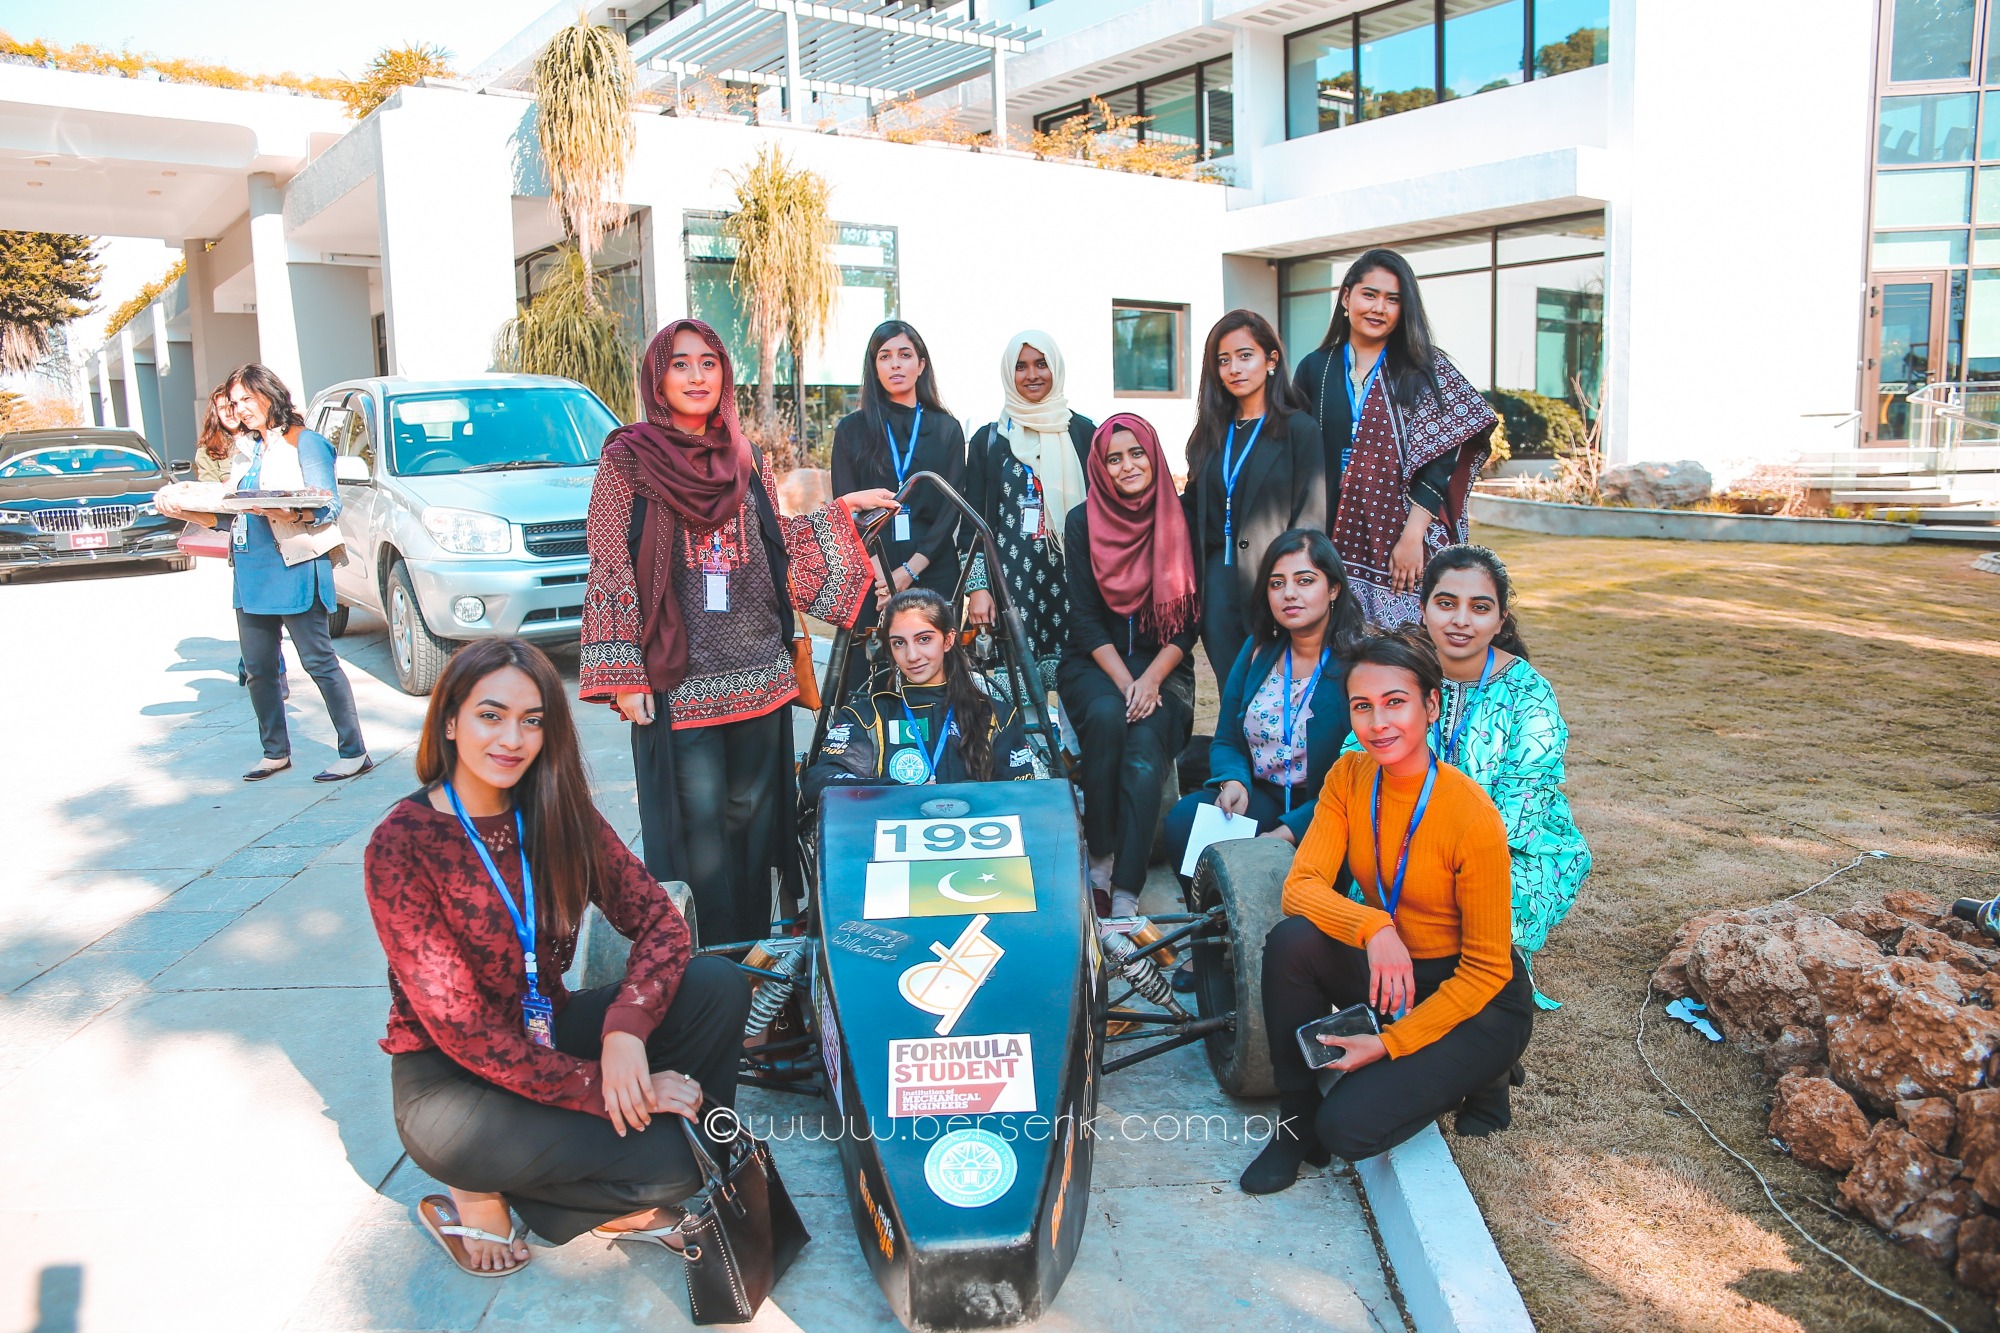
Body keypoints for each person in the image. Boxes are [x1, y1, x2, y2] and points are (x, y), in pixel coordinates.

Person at [365, 637, 751, 1275]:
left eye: (532, 719)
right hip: (453, 1084)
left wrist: (627, 1030)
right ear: (451, 720)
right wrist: (608, 1089)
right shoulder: (402, 843)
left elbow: (659, 918)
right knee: (679, 1162)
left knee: (718, 985)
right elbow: (465, 1031)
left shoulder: (557, 813)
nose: (512, 738)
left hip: (546, 1032)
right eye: (492, 715)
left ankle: (588, 1178)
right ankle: (486, 1188)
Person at [581, 319, 891, 947]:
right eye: (680, 364)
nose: (697, 377)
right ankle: (705, 971)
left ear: (724, 373)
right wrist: (622, 671)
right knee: (699, 844)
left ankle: (756, 970)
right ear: (658, 378)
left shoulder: (748, 459)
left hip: (761, 678)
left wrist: (840, 518)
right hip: (680, 681)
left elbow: (775, 551)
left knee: (753, 835)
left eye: (708, 363)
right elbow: (609, 561)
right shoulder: (627, 459)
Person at [1241, 632, 1535, 1196]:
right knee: (1292, 943)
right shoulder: (1349, 779)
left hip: (1476, 996)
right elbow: (1300, 887)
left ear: (1431, 705)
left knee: (1348, 1130)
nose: (1378, 723)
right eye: (1362, 706)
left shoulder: (1470, 815)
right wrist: (1373, 927)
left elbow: (1486, 970)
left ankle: (1486, 1070)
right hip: (1393, 969)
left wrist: (1390, 1046)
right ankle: (1294, 1123)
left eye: (1395, 702)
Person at [156, 363, 369, 782]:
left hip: (294, 565)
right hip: (250, 570)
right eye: (234, 403)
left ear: (269, 394)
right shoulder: (248, 449)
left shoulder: (304, 443)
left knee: (318, 662)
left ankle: (353, 751)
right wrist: (186, 509)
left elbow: (328, 505)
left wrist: (287, 510)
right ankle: (275, 752)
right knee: (258, 668)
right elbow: (234, 516)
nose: (239, 410)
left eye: (246, 400)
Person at [1415, 544, 1589, 1009]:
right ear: (1424, 606)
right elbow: (1361, 757)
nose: (1460, 621)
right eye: (1446, 602)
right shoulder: (1401, 673)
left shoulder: (1529, 692)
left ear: (1501, 620)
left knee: (1475, 906)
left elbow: (1522, 803)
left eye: (1480, 607)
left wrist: (1444, 856)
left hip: (1508, 844)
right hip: (1403, 834)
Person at [1292, 248, 1497, 629]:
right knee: (1338, 644)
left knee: (1408, 646)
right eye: (1369, 294)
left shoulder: (1422, 367)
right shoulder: (1315, 368)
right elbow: (1297, 451)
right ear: (1346, 297)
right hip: (1331, 525)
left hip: (1406, 529)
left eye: (1393, 299)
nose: (1379, 308)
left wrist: (1412, 537)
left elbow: (1441, 461)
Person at [1056, 414, 1197, 918]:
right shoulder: (1082, 521)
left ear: (1154, 455)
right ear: (1100, 466)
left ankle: (1126, 891)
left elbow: (1186, 625)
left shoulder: (1179, 517)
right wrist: (1128, 684)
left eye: (1136, 453)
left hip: (1164, 664)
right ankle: (1099, 858)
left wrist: (1151, 680)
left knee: (1143, 751)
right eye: (1114, 458)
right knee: (1108, 716)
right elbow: (1086, 621)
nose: (1127, 465)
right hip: (1095, 663)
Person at [1164, 528, 1361, 872]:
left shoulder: (1358, 665)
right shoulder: (1259, 650)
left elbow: (1359, 780)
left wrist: (1288, 832)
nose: (1289, 594)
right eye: (1276, 583)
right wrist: (1234, 780)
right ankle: (1213, 922)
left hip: (1326, 808)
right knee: (1185, 821)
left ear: (1333, 588)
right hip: (1262, 794)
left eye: (1304, 581)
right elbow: (1226, 739)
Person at [1183, 310, 1328, 683]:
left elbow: (1310, 519)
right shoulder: (1208, 434)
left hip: (1275, 582)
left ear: (1271, 360)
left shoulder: (1300, 430)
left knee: (1274, 686)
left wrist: (1291, 582)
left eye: (1245, 355)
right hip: (1216, 586)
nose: (1234, 368)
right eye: (1223, 360)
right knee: (1231, 688)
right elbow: (1191, 506)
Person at [801, 587, 1043, 805]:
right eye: (899, 643)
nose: (912, 655)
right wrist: (899, 792)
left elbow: (1022, 798)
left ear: (948, 639)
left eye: (924, 639)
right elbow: (820, 783)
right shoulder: (866, 716)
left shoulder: (995, 716)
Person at [831, 320, 967, 693]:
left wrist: (909, 570)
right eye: (885, 356)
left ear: (921, 364)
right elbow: (846, 510)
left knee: (938, 676)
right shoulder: (851, 430)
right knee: (868, 678)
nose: (895, 365)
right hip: (871, 574)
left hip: (932, 566)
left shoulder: (947, 429)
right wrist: (883, 578)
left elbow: (951, 510)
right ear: (874, 366)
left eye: (905, 355)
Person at [964, 331, 1095, 692]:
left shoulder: (1082, 433)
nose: (1032, 375)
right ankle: (1023, 750)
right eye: (1020, 367)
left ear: (1056, 368)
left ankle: (1073, 751)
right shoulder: (989, 440)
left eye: (1041, 364)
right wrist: (978, 589)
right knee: (1016, 697)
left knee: (1080, 686)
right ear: (1009, 374)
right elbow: (972, 522)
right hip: (1011, 586)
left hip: (1075, 580)